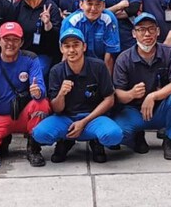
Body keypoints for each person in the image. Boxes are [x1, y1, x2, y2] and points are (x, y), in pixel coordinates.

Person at [33, 28, 123, 163]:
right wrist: (61, 94)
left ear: (84, 47)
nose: (71, 50)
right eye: (67, 46)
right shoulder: (56, 71)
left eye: (76, 45)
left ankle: (95, 141)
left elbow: (109, 99)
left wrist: (84, 122)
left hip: (93, 118)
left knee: (114, 135)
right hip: (66, 119)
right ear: (61, 49)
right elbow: (56, 109)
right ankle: (65, 140)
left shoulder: (98, 66)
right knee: (40, 134)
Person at [0, 21, 51, 167]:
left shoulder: (31, 59)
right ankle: (4, 138)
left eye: (15, 39)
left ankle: (33, 148)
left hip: (23, 114)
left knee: (42, 103)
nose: (10, 43)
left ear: (21, 42)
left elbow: (40, 89)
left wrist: (37, 92)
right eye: (6, 39)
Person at [112, 13, 171, 159]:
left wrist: (153, 96)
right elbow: (118, 93)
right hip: (135, 111)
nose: (147, 34)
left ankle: (170, 140)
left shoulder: (170, 53)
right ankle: (137, 137)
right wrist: (131, 94)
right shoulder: (124, 58)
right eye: (141, 29)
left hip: (161, 109)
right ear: (134, 33)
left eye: (151, 29)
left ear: (158, 31)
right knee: (116, 135)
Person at [4, 0, 59, 73]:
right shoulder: (16, 7)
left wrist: (48, 25)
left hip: (44, 55)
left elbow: (56, 41)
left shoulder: (50, 7)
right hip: (20, 54)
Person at [60, 0, 120, 72]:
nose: (93, 8)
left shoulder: (109, 19)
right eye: (89, 4)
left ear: (104, 6)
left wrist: (106, 78)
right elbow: (67, 52)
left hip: (100, 65)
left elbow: (109, 54)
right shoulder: (71, 21)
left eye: (97, 4)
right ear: (81, 4)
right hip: (77, 64)